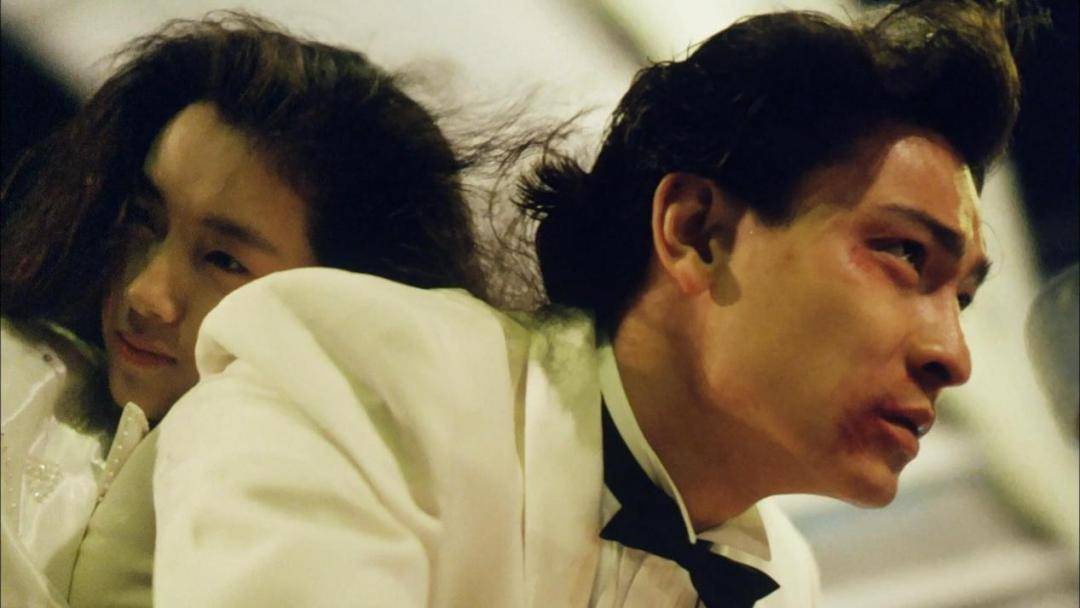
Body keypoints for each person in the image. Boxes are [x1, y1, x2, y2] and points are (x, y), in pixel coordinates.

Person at [149, 1, 1023, 606]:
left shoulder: (783, 580)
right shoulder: (357, 382)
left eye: (962, 298)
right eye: (904, 254)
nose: (952, 355)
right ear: (694, 231)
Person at [0, 13, 488, 607]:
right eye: (144, 220)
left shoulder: (357, 555)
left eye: (224, 261)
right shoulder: (15, 383)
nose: (147, 294)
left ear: (345, 308)